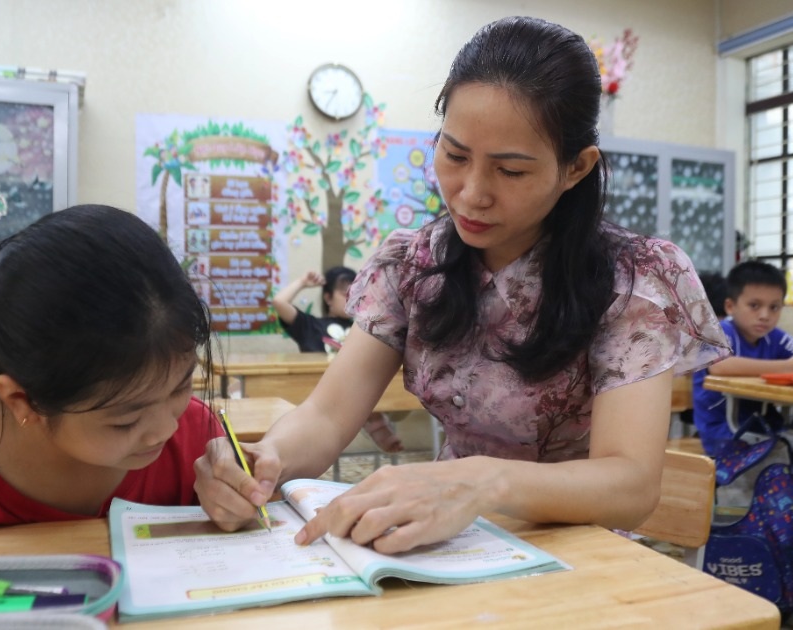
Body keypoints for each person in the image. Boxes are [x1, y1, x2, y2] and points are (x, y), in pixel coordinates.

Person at [194, 16, 729, 555]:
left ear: (576, 168)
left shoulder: (632, 279)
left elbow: (630, 484)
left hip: (581, 553)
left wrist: (480, 482)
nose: (471, 194)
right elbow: (328, 414)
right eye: (454, 156)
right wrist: (265, 461)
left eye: (511, 171)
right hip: (447, 542)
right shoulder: (414, 264)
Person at [0, 205, 220, 533]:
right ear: (22, 401)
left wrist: (244, 496)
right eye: (125, 421)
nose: (167, 428)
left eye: (181, 384)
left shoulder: (196, 438)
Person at [692, 261, 793, 455]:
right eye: (754, 305)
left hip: (764, 426)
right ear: (730, 306)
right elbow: (720, 365)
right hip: (722, 431)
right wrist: (788, 367)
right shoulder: (718, 331)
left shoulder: (774, 336)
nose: (764, 315)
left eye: (774, 307)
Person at [272, 267, 402, 453]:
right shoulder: (310, 326)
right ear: (328, 298)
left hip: (357, 391)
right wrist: (302, 282)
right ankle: (376, 424)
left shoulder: (366, 328)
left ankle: (375, 421)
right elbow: (279, 302)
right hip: (318, 395)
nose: (353, 299)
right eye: (345, 294)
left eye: (357, 294)